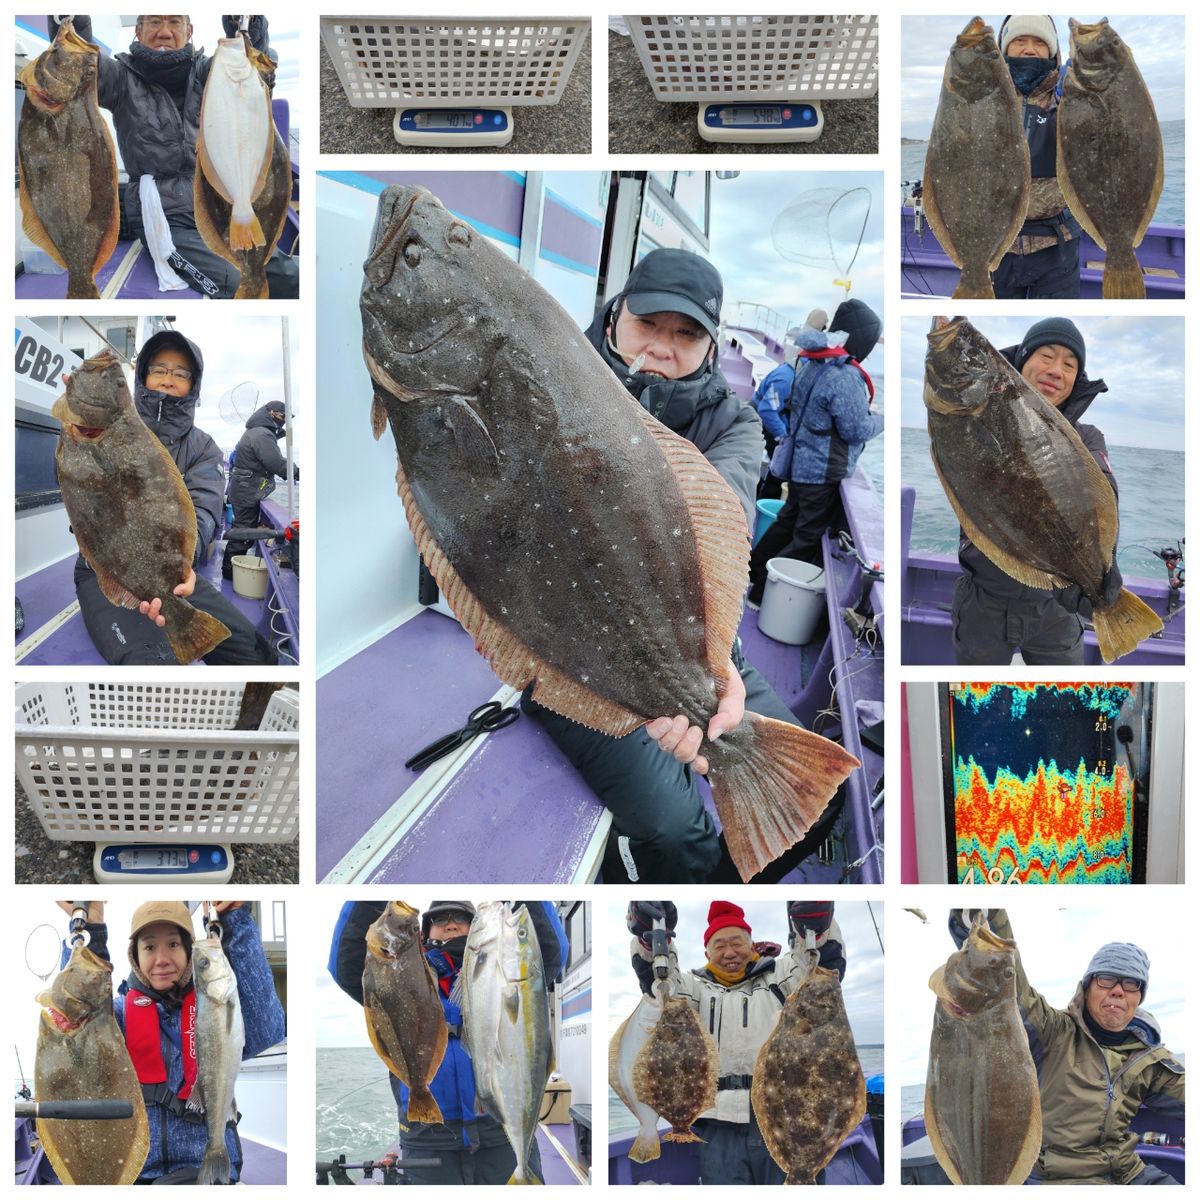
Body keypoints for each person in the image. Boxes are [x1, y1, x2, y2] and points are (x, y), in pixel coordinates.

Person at [519, 248, 818, 884]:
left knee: (815, 801)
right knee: (677, 832)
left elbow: (721, 523)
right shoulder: (547, 378)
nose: (662, 346)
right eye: (647, 324)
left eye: (686, 334)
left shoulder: (734, 422)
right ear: (614, 318)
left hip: (692, 646)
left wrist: (718, 667)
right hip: (576, 656)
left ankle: (711, 895)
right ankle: (663, 880)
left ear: (711, 347)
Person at [44, 15, 299, 300]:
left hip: (219, 206)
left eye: (174, 23)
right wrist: (70, 21)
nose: (164, 32)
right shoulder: (121, 78)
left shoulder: (211, 72)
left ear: (189, 31)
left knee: (288, 278)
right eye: (154, 23)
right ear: (138, 32)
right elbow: (79, 65)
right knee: (235, 282)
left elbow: (249, 69)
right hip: (165, 218)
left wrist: (244, 27)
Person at [73, 330, 279, 665]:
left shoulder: (203, 448)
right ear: (143, 377)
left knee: (258, 657)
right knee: (152, 663)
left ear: (193, 386)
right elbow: (77, 489)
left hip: (175, 576)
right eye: (159, 370)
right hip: (105, 570)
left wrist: (181, 570)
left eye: (181, 374)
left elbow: (204, 512)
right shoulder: (101, 430)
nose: (169, 380)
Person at [328, 900, 568, 1186]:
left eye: (461, 919)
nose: (451, 924)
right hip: (427, 1139)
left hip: (499, 1130)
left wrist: (526, 894)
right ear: (424, 934)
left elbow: (551, 954)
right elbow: (346, 965)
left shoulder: (502, 971)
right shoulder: (397, 977)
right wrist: (371, 901)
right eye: (440, 920)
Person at [55, 899, 286, 1185]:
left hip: (205, 1174)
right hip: (133, 1173)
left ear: (190, 952)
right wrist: (89, 931)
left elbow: (267, 1028)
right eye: (149, 947)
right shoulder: (118, 1016)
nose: (162, 959)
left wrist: (233, 921)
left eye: (174, 945)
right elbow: (79, 1025)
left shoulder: (214, 1006)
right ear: (135, 956)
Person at [947, 910, 1184, 1185]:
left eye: (1131, 983)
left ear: (1139, 996)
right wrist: (984, 917)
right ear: (1087, 988)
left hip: (1128, 1172)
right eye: (1106, 979)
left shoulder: (1151, 1059)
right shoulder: (1054, 1030)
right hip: (1056, 1178)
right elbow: (1010, 984)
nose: (1118, 990)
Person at [628, 900, 846, 1185]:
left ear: (752, 945)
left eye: (737, 943)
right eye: (719, 946)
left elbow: (817, 968)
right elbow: (661, 983)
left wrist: (816, 930)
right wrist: (653, 941)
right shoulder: (694, 988)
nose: (729, 952)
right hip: (717, 1128)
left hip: (787, 1115)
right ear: (707, 951)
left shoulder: (782, 976)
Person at [951, 317, 1121, 664]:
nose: (1057, 370)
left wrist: (1104, 562)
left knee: (1065, 700)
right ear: (1023, 361)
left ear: (1075, 380)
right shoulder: (979, 418)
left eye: (1070, 365)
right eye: (1046, 355)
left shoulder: (1087, 437)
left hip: (1054, 609)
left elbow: (1104, 492)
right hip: (984, 600)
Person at [747, 299, 883, 608]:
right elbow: (856, 430)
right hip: (821, 473)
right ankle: (760, 593)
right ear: (864, 341)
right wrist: (880, 420)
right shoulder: (846, 377)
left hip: (800, 465)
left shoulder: (813, 364)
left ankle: (751, 572)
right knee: (805, 538)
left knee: (785, 524)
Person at [990, 16, 1083, 300]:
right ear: (1004, 48)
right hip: (995, 246)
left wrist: (1079, 97)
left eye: (1039, 42)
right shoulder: (985, 96)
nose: (1029, 49)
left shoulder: (1071, 92)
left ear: (1053, 52)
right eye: (1020, 40)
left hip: (1057, 246)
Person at [752, 308, 828, 501]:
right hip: (761, 421)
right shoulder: (785, 379)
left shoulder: (804, 376)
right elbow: (767, 410)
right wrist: (783, 437)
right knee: (779, 465)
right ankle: (764, 498)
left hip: (781, 421)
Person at [221, 402, 297, 579]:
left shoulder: (256, 432)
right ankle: (229, 572)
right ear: (272, 413)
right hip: (247, 491)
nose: (285, 421)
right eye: (283, 416)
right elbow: (276, 464)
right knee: (243, 531)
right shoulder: (262, 434)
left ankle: (229, 569)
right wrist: (298, 472)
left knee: (242, 527)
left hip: (243, 489)